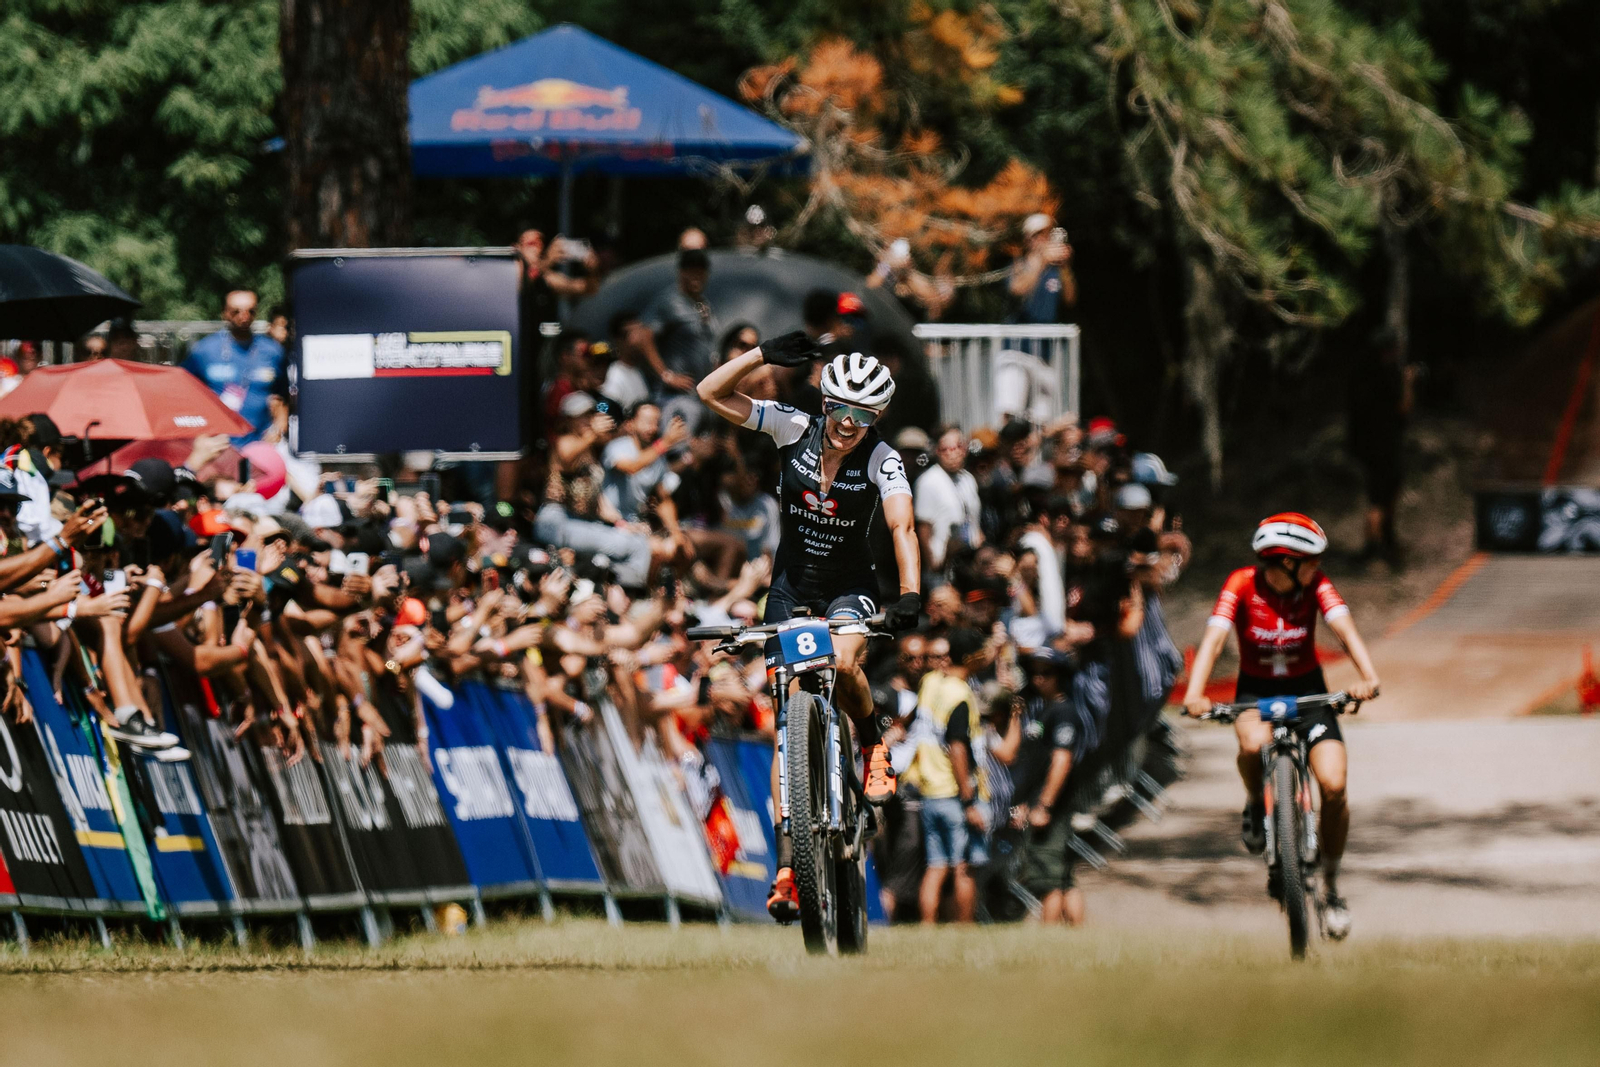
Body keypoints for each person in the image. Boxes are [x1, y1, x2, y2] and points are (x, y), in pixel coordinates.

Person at [697, 332, 922, 922]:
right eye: (840, 409)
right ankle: (790, 865)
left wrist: (909, 594)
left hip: (850, 589)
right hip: (791, 590)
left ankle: (872, 745)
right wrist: (762, 357)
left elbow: (901, 527)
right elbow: (709, 393)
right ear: (824, 401)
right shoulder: (792, 428)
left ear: (877, 417)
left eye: (863, 415)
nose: (848, 424)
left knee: (843, 663)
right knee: (788, 719)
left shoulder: (883, 458)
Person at [1181, 513, 1382, 941]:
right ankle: (1256, 802)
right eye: (1311, 560)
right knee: (1252, 746)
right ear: (1284, 561)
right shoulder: (1240, 584)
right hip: (1255, 691)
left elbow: (1343, 627)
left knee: (1333, 783)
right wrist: (1195, 693)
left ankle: (1330, 887)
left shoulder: (1317, 586)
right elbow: (1214, 639)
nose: (1318, 567)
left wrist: (1368, 675)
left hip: (1308, 691)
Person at [903, 626, 988, 923]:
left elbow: (911, 720)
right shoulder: (959, 694)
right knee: (963, 867)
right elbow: (958, 748)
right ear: (971, 657)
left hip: (929, 792)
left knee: (936, 866)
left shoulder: (930, 683)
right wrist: (968, 800)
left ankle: (928, 928)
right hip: (953, 792)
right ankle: (963, 931)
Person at [1011, 648, 1094, 926]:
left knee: (1048, 880)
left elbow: (1062, 760)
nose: (1037, 679)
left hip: (1052, 809)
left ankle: (1049, 942)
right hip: (1039, 803)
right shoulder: (1044, 710)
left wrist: (1044, 805)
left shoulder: (1064, 712)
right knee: (1063, 877)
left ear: (1060, 676)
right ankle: (1076, 936)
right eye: (1033, 673)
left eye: (1045, 673)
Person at [181, 290, 287, 443]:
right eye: (236, 311)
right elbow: (186, 392)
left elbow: (284, 397)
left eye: (250, 311)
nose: (243, 316)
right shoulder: (204, 350)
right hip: (217, 443)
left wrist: (278, 428)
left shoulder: (272, 351)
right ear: (225, 313)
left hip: (260, 444)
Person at [640, 248, 717, 429]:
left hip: (700, 394)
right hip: (676, 396)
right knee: (680, 452)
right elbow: (644, 337)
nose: (697, 276)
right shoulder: (669, 301)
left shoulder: (702, 303)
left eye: (701, 270)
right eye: (692, 270)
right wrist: (666, 375)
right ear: (682, 272)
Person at [914, 426, 982, 574]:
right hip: (944, 563)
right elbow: (924, 528)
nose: (954, 453)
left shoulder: (967, 479)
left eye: (958, 447)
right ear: (937, 451)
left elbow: (974, 519)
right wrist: (933, 566)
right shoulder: (928, 481)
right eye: (947, 449)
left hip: (970, 559)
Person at [1007, 213, 1076, 325]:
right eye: (1038, 234)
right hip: (1021, 336)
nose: (1044, 238)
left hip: (1049, 336)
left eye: (1048, 233)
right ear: (1027, 239)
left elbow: (1070, 300)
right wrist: (1042, 261)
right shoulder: (1019, 264)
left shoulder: (1055, 269)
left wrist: (1065, 266)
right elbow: (1017, 291)